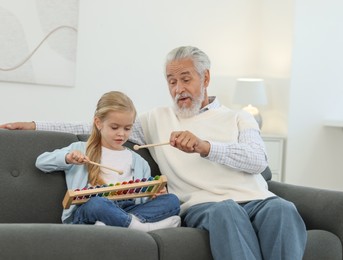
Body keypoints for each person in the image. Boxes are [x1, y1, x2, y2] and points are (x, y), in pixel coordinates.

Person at [1, 46, 307, 260]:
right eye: (171, 82)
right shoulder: (155, 120)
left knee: (283, 209)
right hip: (206, 205)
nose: (178, 89)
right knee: (225, 211)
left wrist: (205, 147)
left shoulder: (240, 117)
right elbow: (92, 126)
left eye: (185, 79)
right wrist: (32, 124)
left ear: (206, 78)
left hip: (256, 200)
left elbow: (258, 161)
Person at [35, 91, 181, 231]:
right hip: (91, 210)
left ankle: (120, 223)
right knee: (97, 204)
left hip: (128, 209)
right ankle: (139, 227)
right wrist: (68, 158)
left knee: (172, 200)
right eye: (115, 127)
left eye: (127, 128)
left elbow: (142, 200)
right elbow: (41, 162)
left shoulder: (139, 162)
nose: (121, 134)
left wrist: (153, 194)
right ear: (98, 123)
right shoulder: (80, 149)